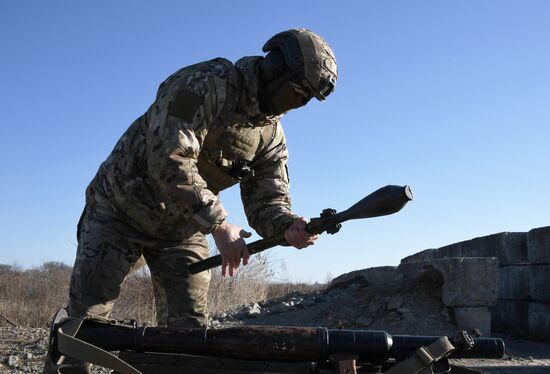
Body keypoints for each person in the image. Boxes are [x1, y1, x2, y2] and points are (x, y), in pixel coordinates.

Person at [44, 28, 337, 373]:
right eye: (299, 91)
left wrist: (288, 226)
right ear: (276, 71)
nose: (299, 103)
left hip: (182, 231)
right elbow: (170, 158)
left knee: (187, 342)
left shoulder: (270, 134)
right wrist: (218, 223)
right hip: (118, 214)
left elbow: (267, 201)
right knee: (84, 326)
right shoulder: (204, 83)